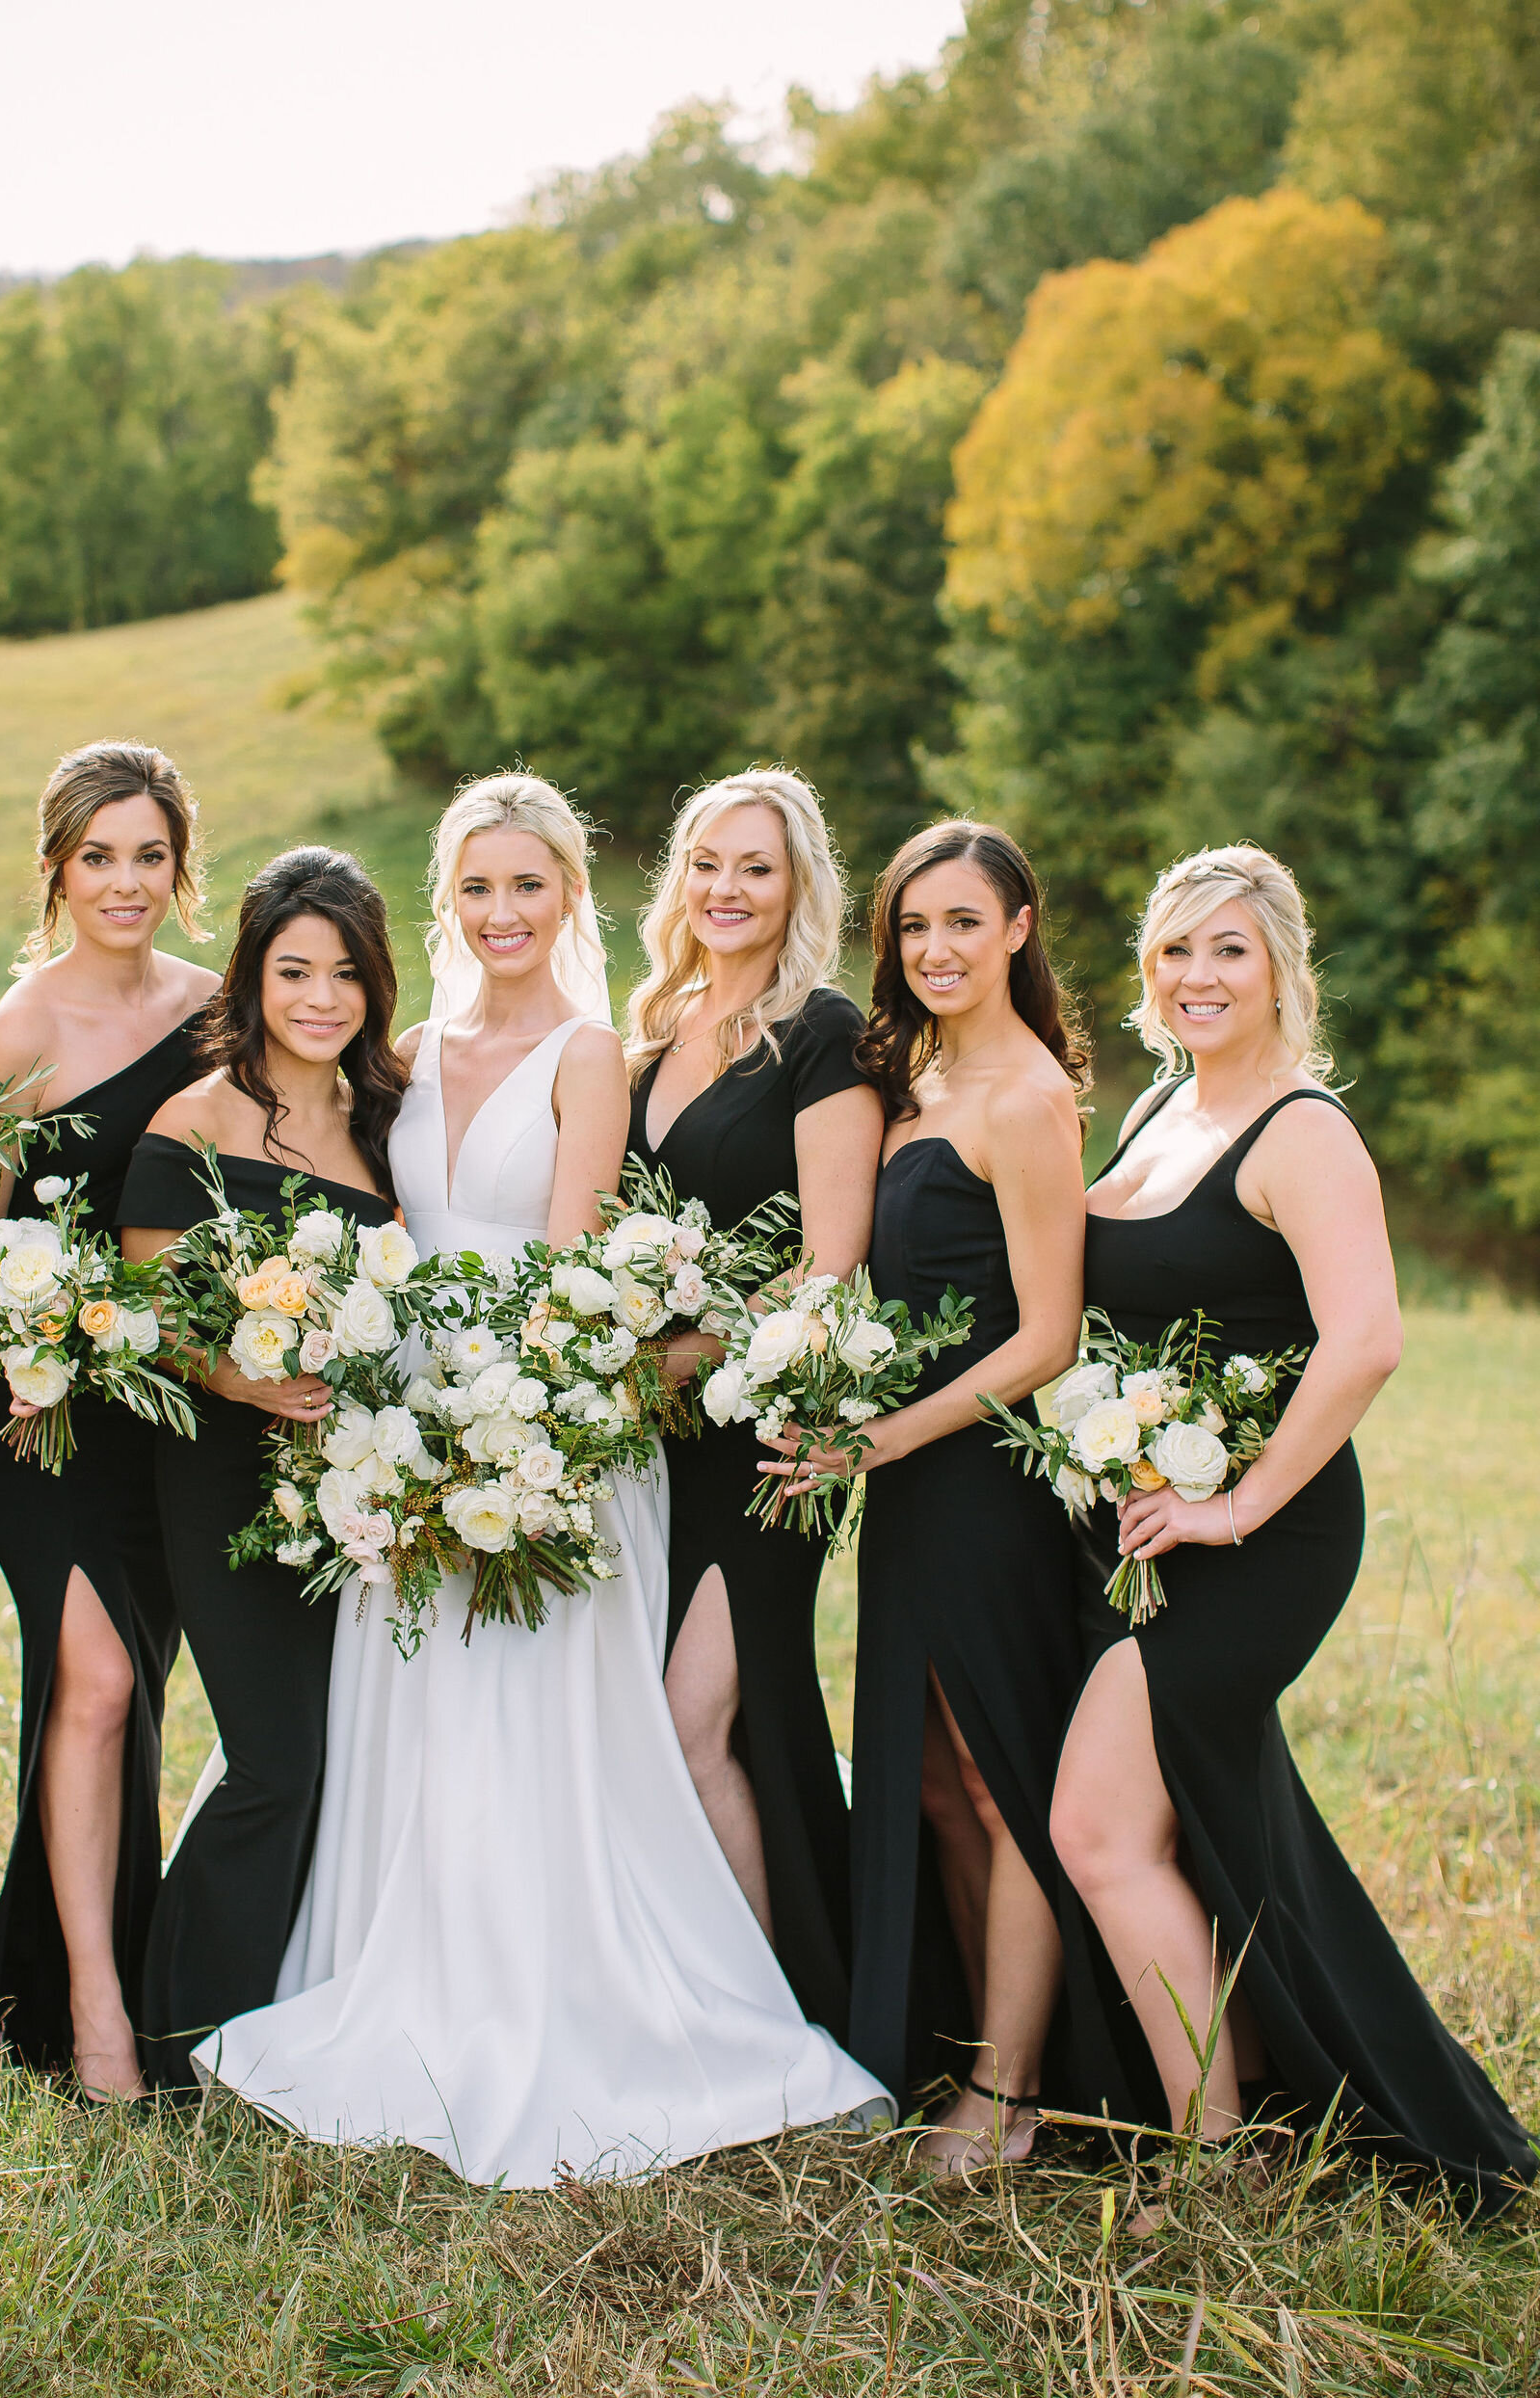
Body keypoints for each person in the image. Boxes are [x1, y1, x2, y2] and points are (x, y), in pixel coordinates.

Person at [192, 774, 886, 2187]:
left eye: (531, 885)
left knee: (554, 1723)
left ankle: (608, 1998)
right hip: (396, 1414)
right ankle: (411, 1971)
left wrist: (510, 1434)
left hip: (540, 1422)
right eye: (478, 886)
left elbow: (574, 1278)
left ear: (572, 895)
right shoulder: (399, 1049)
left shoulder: (591, 1055)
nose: (504, 912)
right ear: (445, 899)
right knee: (421, 1711)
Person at [1050, 844, 1534, 2210]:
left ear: (1280, 971)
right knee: (1219, 1824)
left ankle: (1215, 2163)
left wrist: (1242, 1502)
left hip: (1268, 1539)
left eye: (1230, 951)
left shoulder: (1304, 1128)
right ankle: (1303, 2087)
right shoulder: (1161, 1108)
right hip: (1155, 1524)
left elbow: (1366, 1338)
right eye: (1176, 950)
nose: (1198, 976)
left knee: (1100, 1829)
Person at [771, 820, 1120, 2172]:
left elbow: (1049, 1337)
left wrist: (886, 1440)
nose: (935, 950)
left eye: (964, 923)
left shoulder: (1028, 1096)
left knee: (993, 1778)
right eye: (914, 928)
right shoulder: (916, 1077)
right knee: (927, 1779)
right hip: (912, 1482)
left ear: (1019, 930)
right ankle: (975, 2042)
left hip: (983, 1483)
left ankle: (1012, 2091)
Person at [0, 741, 218, 2101]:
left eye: (148, 855)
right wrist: (28, 1352)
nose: (124, 881)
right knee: (95, 1683)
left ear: (181, 868)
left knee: (136, 1690)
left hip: (174, 1406)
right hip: (36, 1399)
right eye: (97, 856)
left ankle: (70, 1971)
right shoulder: (22, 1028)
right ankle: (99, 2023)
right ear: (56, 868)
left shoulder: (222, 1007)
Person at [119, 846, 405, 2093]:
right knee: (278, 1754)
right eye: (295, 970)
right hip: (226, 1472)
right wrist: (240, 1377)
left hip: (359, 1481)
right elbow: (144, 1303)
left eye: (344, 973)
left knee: (344, 1750)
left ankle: (282, 2003)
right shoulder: (197, 1117)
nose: (321, 996)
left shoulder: (387, 1120)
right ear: (254, 975)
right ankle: (173, 2030)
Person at [622, 770, 884, 2038]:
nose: (727, 890)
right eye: (709, 864)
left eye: (757, 869)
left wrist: (683, 1353)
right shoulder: (652, 1023)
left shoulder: (825, 1034)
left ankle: (772, 2029)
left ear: (799, 889)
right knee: (737, 1721)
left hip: (773, 1430)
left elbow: (830, 1260)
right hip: (651, 1443)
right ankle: (791, 1990)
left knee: (699, 1717)